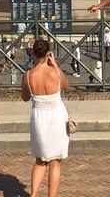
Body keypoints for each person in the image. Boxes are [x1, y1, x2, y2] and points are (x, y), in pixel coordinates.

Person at [20, 37, 69, 197]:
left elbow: (25, 97)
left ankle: (33, 194)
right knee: (55, 161)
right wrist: (55, 65)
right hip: (57, 116)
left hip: (39, 117)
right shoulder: (55, 72)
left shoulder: (28, 75)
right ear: (48, 53)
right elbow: (66, 85)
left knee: (40, 160)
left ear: (33, 53)